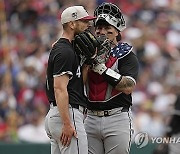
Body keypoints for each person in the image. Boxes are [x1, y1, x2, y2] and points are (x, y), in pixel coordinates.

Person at [84, 3, 139, 154]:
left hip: (117, 117)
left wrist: (102, 69)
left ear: (116, 30)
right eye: (99, 27)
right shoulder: (87, 51)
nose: (102, 31)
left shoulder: (126, 54)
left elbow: (128, 86)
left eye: (107, 27)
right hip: (90, 117)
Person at [44, 6, 96, 154]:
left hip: (58, 113)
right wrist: (67, 123)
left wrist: (86, 65)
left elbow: (76, 83)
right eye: (83, 21)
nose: (88, 25)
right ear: (72, 24)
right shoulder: (64, 51)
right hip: (67, 113)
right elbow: (59, 89)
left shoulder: (67, 49)